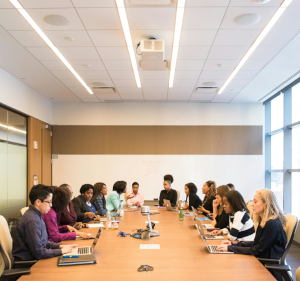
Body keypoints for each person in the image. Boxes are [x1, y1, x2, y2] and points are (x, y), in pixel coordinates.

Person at [12, 184, 77, 260]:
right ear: (38, 202)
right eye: (48, 202)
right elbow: (39, 252)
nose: (51, 205)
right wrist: (61, 251)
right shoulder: (32, 220)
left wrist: (60, 246)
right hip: (30, 264)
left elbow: (43, 242)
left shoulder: (37, 216)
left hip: (36, 259)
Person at [217, 189, 287, 259]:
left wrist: (230, 248)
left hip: (264, 264)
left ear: (266, 204)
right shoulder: (264, 221)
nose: (252, 204)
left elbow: (258, 250)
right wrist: (234, 245)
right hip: (259, 258)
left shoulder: (272, 224)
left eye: (255, 202)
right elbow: (256, 243)